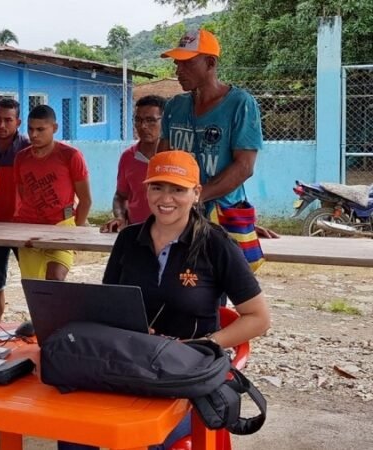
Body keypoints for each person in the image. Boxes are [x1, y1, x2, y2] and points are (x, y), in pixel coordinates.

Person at [60, 151, 271, 450]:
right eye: (157, 187)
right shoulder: (128, 240)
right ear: (145, 190)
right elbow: (110, 304)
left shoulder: (216, 244)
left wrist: (206, 343)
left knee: (143, 438)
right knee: (75, 430)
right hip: (130, 363)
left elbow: (258, 317)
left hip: (186, 375)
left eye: (178, 189)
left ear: (196, 193)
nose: (166, 197)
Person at [157, 29, 278, 239]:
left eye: (187, 63)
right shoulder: (174, 107)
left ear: (211, 63)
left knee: (226, 270)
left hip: (224, 216)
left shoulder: (240, 104)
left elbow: (244, 167)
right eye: (177, 63)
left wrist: (196, 197)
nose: (179, 70)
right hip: (179, 217)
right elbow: (162, 160)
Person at [13, 105, 92, 281]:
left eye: (40, 129)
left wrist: (76, 232)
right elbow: (22, 193)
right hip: (28, 229)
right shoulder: (21, 158)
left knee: (55, 278)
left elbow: (86, 200)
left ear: (54, 128)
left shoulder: (70, 156)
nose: (34, 135)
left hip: (62, 227)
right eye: (31, 129)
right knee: (34, 289)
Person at [0, 98, 30, 323]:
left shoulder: (29, 148)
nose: (1, 125)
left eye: (8, 120)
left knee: (34, 284)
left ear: (18, 122)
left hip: (23, 228)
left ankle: (41, 335)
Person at [101, 95, 167, 232]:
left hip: (171, 234)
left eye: (150, 120)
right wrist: (120, 217)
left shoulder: (176, 158)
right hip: (136, 233)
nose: (143, 126)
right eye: (138, 120)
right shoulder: (128, 157)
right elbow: (120, 196)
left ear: (165, 121)